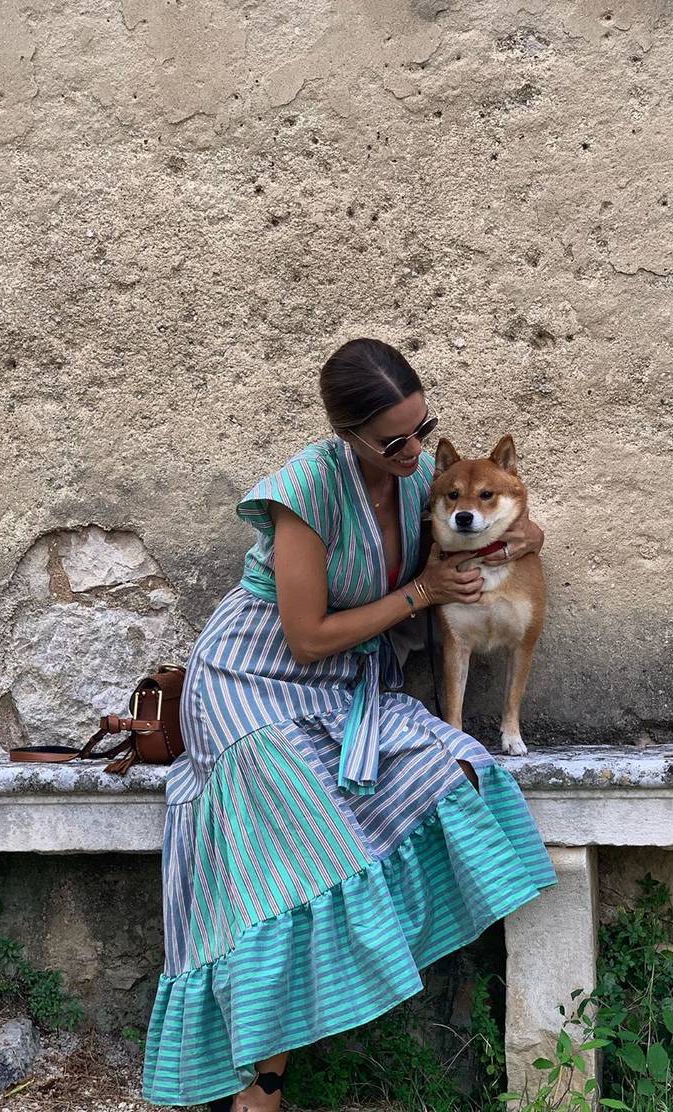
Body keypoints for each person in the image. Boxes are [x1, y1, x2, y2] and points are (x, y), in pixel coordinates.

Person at [142, 338, 557, 1111]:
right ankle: (260, 1082)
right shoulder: (308, 489)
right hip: (251, 680)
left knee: (458, 771)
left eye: (422, 431)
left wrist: (525, 537)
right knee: (301, 855)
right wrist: (424, 594)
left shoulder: (418, 485)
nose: (411, 452)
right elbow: (305, 636)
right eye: (391, 441)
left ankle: (363, 973)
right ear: (348, 434)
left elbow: (502, 525)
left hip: (346, 685)